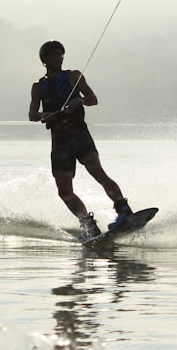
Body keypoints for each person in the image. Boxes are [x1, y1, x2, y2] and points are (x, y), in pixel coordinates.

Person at [29, 40, 134, 240]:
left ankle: (123, 209)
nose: (59, 58)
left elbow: (93, 99)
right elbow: (32, 114)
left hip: (79, 135)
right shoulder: (38, 87)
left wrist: (80, 100)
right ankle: (87, 224)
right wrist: (46, 114)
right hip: (59, 141)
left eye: (61, 54)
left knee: (97, 171)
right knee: (64, 191)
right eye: (54, 55)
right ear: (45, 60)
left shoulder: (74, 76)